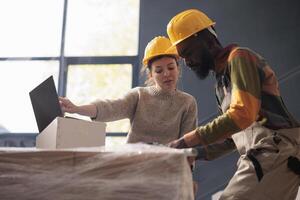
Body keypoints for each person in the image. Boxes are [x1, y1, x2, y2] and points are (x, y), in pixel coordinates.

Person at [167, 9, 300, 200]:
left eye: (188, 53)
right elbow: (232, 138)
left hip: (276, 151)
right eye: (183, 57)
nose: (187, 63)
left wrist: (186, 140)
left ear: (206, 39)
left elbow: (243, 114)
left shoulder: (239, 58)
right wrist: (194, 152)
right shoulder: (221, 82)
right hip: (263, 155)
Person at [59, 36, 198, 145]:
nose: (166, 74)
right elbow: (109, 108)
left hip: (167, 170)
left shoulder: (187, 103)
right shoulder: (139, 96)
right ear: (151, 75)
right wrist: (76, 108)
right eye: (159, 70)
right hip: (133, 165)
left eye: (171, 68)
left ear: (178, 69)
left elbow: (188, 143)